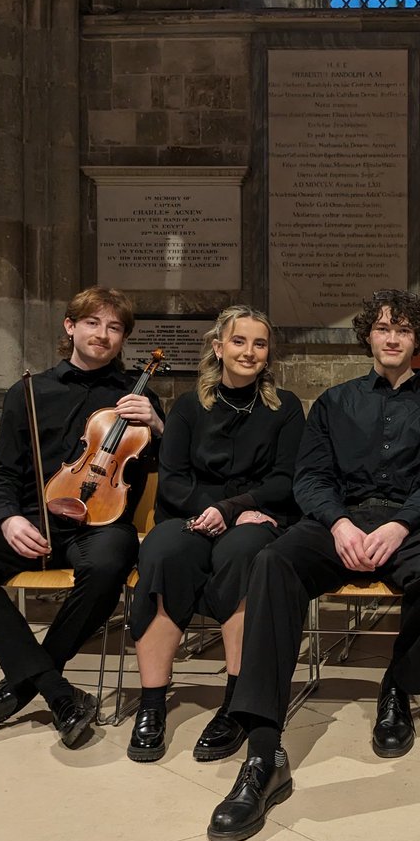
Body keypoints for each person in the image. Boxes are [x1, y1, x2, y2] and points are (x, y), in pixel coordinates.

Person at [206, 289, 420, 841]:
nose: (391, 337)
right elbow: (310, 479)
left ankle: (398, 687)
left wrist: (399, 525)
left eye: (402, 329)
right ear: (367, 337)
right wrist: (340, 525)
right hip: (339, 524)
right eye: (381, 327)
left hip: (409, 525)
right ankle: (262, 756)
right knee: (273, 561)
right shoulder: (333, 402)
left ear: (416, 338)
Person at [0, 286, 164, 748]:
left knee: (109, 562)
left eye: (115, 327)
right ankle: (56, 691)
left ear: (123, 338)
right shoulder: (29, 392)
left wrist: (159, 426)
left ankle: (18, 688)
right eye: (93, 323)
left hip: (102, 523)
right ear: (70, 327)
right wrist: (6, 520)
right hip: (34, 520)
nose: (103, 334)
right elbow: (1, 473)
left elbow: (175, 468)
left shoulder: (137, 397)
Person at [127, 306, 304, 763]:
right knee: (164, 552)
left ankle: (235, 704)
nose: (249, 351)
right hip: (189, 514)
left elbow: (286, 480)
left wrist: (232, 509)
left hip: (252, 518)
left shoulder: (285, 408)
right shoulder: (189, 406)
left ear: (268, 354)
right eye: (240, 341)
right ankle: (151, 703)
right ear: (218, 346)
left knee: (244, 554)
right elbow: (172, 477)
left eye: (259, 344)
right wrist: (208, 512)